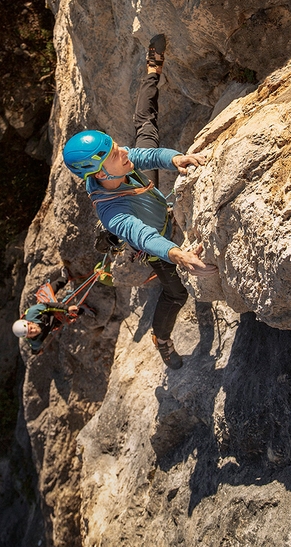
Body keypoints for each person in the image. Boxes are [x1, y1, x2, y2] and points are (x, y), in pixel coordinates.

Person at [62, 34, 218, 369]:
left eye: (117, 147)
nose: (123, 151)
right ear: (100, 172)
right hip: (156, 240)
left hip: (152, 200)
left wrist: (177, 159)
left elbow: (147, 153)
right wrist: (179, 254)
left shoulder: (115, 164)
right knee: (176, 294)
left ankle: (152, 70)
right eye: (115, 154)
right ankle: (161, 339)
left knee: (146, 127)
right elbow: (145, 236)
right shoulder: (113, 214)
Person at [12, 268, 95, 354]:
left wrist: (67, 308)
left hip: (47, 309)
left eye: (31, 328)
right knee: (67, 319)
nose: (33, 331)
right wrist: (38, 352)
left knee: (46, 292)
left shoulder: (32, 313)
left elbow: (48, 306)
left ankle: (63, 279)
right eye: (30, 333)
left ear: (29, 322)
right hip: (52, 322)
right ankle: (82, 309)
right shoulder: (35, 342)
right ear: (27, 337)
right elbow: (34, 350)